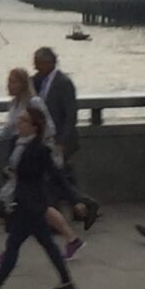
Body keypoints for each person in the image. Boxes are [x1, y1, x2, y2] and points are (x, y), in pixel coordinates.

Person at [0, 69, 85, 264]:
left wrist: (33, 144)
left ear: (23, 84)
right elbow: (8, 130)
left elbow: (48, 127)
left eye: (13, 82)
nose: (8, 85)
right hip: (24, 158)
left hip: (35, 160)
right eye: (8, 81)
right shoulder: (15, 104)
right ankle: (71, 239)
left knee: (29, 203)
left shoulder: (34, 102)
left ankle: (10, 252)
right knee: (40, 206)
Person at [0, 107, 76, 289]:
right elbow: (15, 168)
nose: (18, 123)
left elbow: (56, 176)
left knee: (13, 244)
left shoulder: (40, 150)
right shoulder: (16, 143)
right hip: (23, 200)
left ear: (34, 127)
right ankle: (66, 281)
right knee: (46, 242)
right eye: (19, 120)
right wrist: (10, 173)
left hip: (32, 203)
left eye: (23, 121)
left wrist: (75, 200)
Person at [32, 47, 100, 230]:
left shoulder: (63, 82)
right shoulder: (39, 80)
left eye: (37, 63)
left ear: (48, 63)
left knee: (51, 178)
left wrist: (62, 141)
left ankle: (56, 220)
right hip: (47, 138)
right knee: (62, 178)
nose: (34, 66)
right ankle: (84, 207)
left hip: (61, 140)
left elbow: (71, 115)